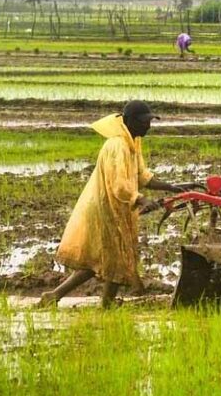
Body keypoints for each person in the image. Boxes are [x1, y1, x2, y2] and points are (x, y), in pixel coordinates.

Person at [39, 100, 184, 308]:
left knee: (105, 257)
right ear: (130, 121)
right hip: (105, 207)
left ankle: (55, 296)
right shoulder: (118, 145)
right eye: (144, 122)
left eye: (149, 121)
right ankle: (104, 304)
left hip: (115, 207)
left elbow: (141, 176)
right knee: (114, 257)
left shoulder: (132, 142)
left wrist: (173, 187)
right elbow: (119, 185)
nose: (148, 126)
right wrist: (141, 199)